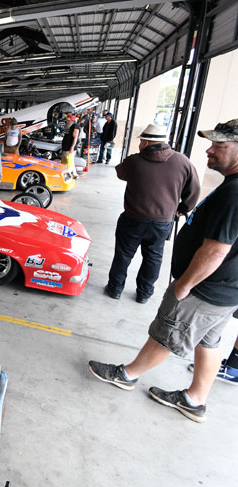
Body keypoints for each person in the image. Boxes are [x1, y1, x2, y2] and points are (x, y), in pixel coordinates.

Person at [88, 118, 238, 423]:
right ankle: (195, 400)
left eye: (219, 145)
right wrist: (181, 210)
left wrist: (184, 286)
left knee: (167, 332)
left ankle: (127, 375)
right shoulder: (186, 164)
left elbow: (215, 250)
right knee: (207, 342)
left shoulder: (234, 193)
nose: (209, 150)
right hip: (224, 289)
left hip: (205, 288)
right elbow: (192, 193)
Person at [105, 123, 200, 303]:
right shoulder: (183, 161)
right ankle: (144, 294)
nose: (140, 144)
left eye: (141, 141)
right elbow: (194, 190)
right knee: (153, 257)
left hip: (133, 219)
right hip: (163, 221)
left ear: (147, 143)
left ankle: (115, 289)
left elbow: (120, 173)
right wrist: (183, 208)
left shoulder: (134, 161)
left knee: (123, 255)